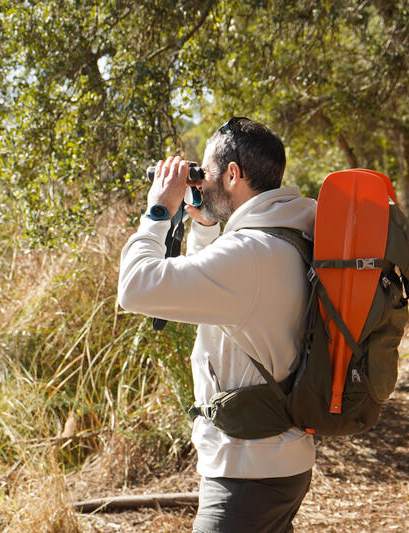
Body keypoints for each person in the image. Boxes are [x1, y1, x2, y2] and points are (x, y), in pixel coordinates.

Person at [117, 117, 316, 532]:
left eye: (204, 173)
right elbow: (211, 293)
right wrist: (205, 225)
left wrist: (158, 210)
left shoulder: (250, 254)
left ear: (232, 174)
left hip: (246, 471)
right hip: (282, 460)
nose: (199, 182)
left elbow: (135, 288)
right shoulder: (293, 230)